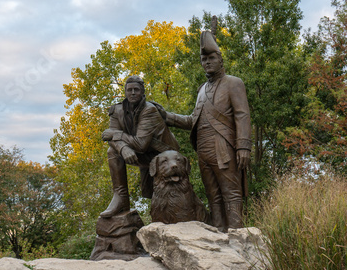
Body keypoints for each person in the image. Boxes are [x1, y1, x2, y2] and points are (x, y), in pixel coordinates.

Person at [164, 31, 251, 231]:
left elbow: (242, 115)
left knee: (232, 194)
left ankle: (237, 235)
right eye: (204, 59)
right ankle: (219, 233)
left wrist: (244, 146)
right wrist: (166, 116)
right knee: (213, 195)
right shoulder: (201, 89)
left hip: (223, 147)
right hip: (203, 150)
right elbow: (193, 120)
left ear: (220, 60)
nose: (207, 62)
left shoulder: (233, 83)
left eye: (211, 58)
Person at [100, 75, 179, 218]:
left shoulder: (149, 110)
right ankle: (121, 197)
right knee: (113, 151)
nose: (133, 93)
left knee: (167, 200)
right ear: (125, 92)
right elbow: (110, 138)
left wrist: (117, 134)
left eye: (136, 89)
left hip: (164, 155)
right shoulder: (117, 110)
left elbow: (141, 144)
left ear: (143, 92)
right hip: (144, 153)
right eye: (129, 90)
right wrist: (123, 148)